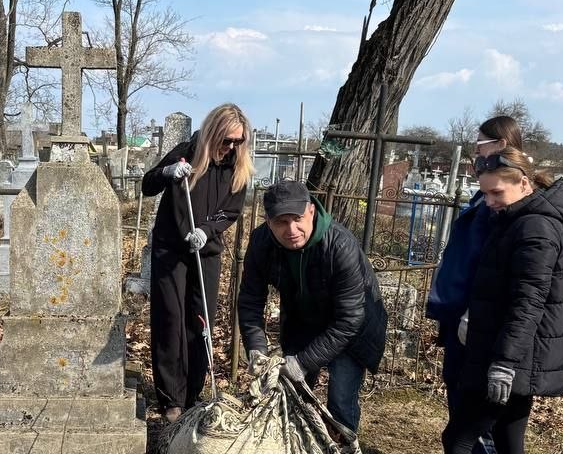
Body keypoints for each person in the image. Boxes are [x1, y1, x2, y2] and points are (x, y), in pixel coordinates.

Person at [405, 148, 563, 454]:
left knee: (459, 438)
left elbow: (527, 304)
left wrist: (503, 363)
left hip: (512, 355)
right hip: (516, 352)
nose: (488, 202)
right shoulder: (520, 217)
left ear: (524, 183)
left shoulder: (535, 228)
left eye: (496, 193)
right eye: (484, 193)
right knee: (507, 439)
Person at [424, 114, 526, 454]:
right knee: (457, 386)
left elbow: (491, 258)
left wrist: (472, 309)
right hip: (460, 305)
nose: (475, 149)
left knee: (476, 395)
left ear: (501, 144)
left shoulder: (503, 198)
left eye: (481, 143)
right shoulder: (485, 192)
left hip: (476, 310)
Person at [237, 180, 388, 433]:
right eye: (281, 222)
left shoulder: (340, 245)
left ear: (311, 211)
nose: (291, 230)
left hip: (353, 329)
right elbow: (251, 300)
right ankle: (299, 446)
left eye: (297, 219)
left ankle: (343, 450)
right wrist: (256, 348)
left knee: (340, 399)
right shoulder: (261, 242)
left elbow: (350, 319)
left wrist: (303, 362)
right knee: (293, 395)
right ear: (268, 221)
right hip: (303, 322)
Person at [141, 104, 253, 421]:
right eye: (227, 140)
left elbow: (231, 210)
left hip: (206, 251)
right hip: (170, 250)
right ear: (213, 132)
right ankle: (171, 398)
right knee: (170, 318)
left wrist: (206, 230)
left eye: (238, 141)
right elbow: (148, 185)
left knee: (200, 321)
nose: (231, 147)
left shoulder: (237, 167)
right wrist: (167, 173)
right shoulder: (185, 154)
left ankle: (192, 394)